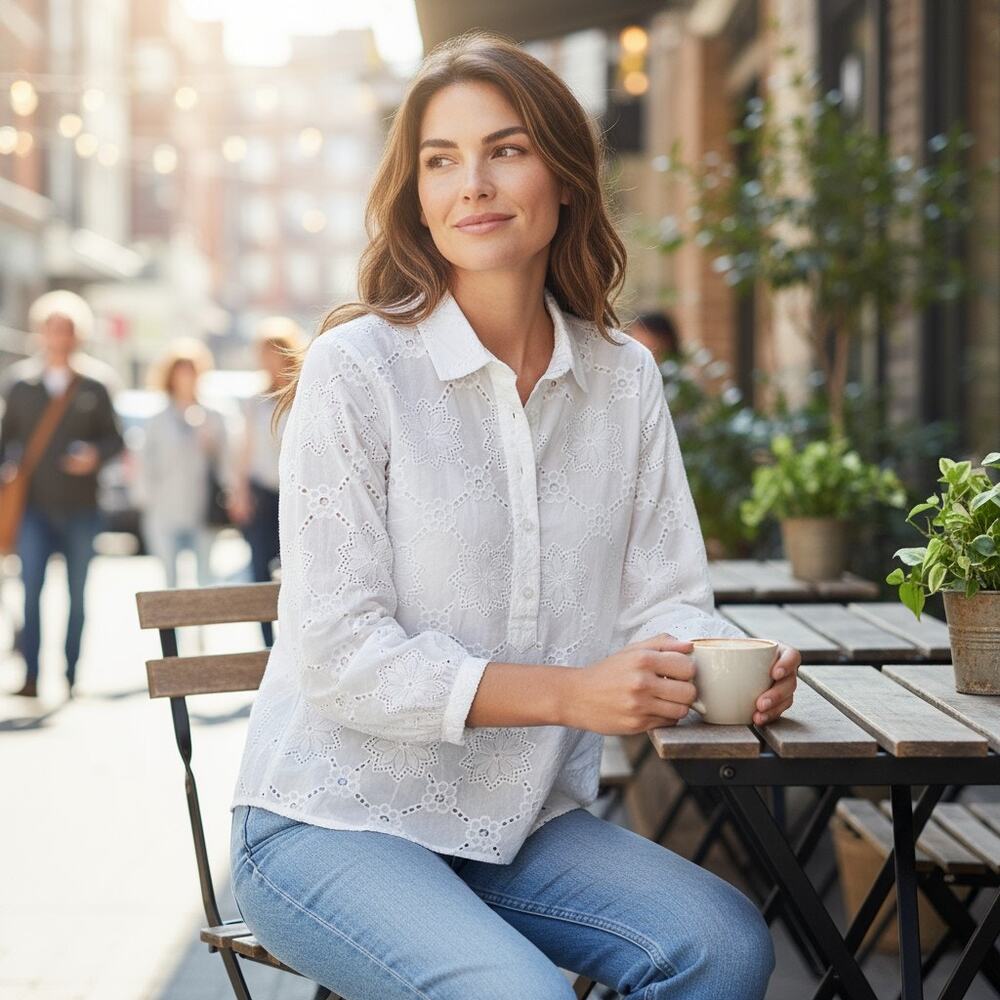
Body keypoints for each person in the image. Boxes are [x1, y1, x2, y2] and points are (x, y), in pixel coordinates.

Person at [229, 34, 801, 999]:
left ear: (565, 175)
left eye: (506, 149)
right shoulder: (357, 371)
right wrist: (572, 695)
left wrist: (720, 669)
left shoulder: (622, 379)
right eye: (441, 160)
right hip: (330, 820)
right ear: (415, 196)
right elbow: (337, 653)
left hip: (519, 824)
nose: (474, 185)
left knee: (725, 946)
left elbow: (665, 598)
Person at [0, 290, 123, 698]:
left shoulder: (96, 384)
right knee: (30, 590)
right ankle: (31, 675)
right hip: (33, 507)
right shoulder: (21, 385)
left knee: (77, 593)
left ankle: (72, 675)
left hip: (83, 507)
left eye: (67, 330)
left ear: (78, 335)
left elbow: (116, 441)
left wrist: (94, 456)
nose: (59, 337)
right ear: (41, 333)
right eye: (53, 329)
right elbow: (6, 443)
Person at [226, 317, 304, 646]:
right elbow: (244, 450)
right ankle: (266, 644)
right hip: (262, 491)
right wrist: (239, 492)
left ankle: (294, 641)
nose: (266, 360)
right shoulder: (253, 400)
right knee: (259, 567)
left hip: (296, 493)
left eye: (271, 352)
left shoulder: (303, 392)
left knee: (296, 568)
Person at [138, 339, 227, 589]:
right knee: (169, 579)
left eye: (191, 371)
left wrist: (211, 444)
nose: (186, 378)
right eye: (180, 372)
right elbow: (144, 463)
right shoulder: (157, 419)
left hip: (202, 507)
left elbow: (227, 463)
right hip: (164, 508)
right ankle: (173, 629)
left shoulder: (214, 415)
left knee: (205, 577)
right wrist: (146, 500)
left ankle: (201, 629)